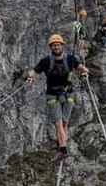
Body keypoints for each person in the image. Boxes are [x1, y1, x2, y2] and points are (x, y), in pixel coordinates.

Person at [27, 34, 89, 162]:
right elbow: (34, 70)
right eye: (54, 45)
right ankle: (62, 149)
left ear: (62, 46)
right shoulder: (46, 61)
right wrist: (31, 77)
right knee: (58, 123)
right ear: (51, 47)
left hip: (68, 95)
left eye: (58, 45)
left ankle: (61, 143)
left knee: (64, 123)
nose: (56, 47)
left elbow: (82, 68)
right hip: (53, 96)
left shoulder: (70, 59)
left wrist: (84, 73)